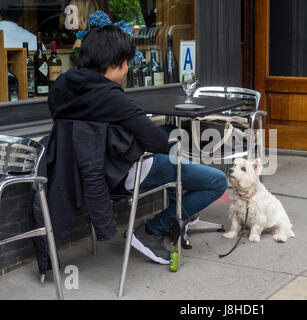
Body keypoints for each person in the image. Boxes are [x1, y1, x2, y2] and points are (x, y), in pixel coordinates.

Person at [48, 25, 228, 265]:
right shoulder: (111, 97)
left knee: (170, 138)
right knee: (215, 180)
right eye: (126, 63)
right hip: (122, 172)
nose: (127, 69)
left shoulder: (61, 88)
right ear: (114, 63)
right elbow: (156, 143)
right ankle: (152, 230)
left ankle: (182, 205)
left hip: (82, 173)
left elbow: (92, 128)